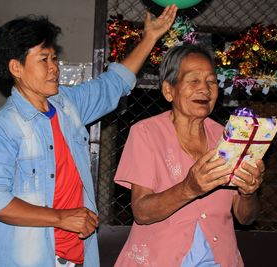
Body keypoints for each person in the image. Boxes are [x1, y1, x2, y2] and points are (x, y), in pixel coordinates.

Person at [0, 5, 177, 267]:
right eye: (43, 59)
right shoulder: (4, 127)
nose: (54, 67)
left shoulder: (66, 105)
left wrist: (150, 38)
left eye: (54, 58)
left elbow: (113, 85)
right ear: (16, 68)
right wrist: (59, 217)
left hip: (77, 257)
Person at [114, 44, 265, 267]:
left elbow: (246, 217)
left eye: (211, 81)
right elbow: (142, 212)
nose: (204, 89)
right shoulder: (146, 133)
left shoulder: (229, 138)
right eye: (193, 80)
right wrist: (189, 188)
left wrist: (249, 192)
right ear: (169, 90)